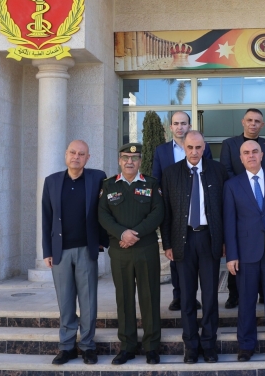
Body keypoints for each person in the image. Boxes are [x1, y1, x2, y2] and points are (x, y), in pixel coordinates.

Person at [159, 130, 226, 364]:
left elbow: (225, 210)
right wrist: (167, 243)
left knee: (210, 297)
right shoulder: (171, 173)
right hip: (183, 240)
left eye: (198, 147)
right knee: (187, 298)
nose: (194, 152)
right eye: (190, 147)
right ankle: (191, 346)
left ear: (204, 147)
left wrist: (224, 241)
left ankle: (209, 344)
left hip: (209, 239)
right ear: (184, 148)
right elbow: (166, 212)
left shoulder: (218, 171)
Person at [41, 140, 108, 365]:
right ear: (65, 154)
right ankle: (67, 347)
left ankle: (88, 345)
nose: (76, 157)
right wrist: (47, 250)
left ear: (88, 158)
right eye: (72, 152)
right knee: (65, 301)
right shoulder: (51, 181)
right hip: (60, 252)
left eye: (81, 154)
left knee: (88, 301)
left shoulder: (98, 178)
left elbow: (105, 210)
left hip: (86, 249)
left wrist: (102, 241)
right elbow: (46, 218)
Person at [223, 140, 265, 362]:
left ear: (262, 155)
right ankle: (245, 345)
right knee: (246, 301)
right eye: (246, 153)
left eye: (254, 152)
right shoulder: (232, 185)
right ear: (241, 158)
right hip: (245, 253)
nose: (251, 155)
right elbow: (229, 223)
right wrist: (232, 255)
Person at [98, 144, 164, 365]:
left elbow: (158, 212)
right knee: (124, 298)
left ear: (140, 161)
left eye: (134, 158)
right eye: (126, 157)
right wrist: (122, 234)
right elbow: (103, 214)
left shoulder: (151, 183)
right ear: (119, 160)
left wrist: (134, 234)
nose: (130, 161)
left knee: (150, 296)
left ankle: (152, 346)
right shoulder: (108, 185)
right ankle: (127, 347)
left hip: (146, 248)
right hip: (120, 251)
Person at [151, 110, 211, 311]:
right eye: (176, 123)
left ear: (189, 126)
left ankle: (195, 297)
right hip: (175, 211)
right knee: (176, 259)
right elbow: (157, 180)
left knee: (197, 264)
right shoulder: (161, 151)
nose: (179, 127)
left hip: (196, 209)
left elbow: (208, 172)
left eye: (183, 123)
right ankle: (179, 296)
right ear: (170, 127)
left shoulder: (200, 147)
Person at [219, 108, 265, 309]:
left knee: (263, 256)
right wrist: (242, 189)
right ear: (243, 122)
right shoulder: (229, 144)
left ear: (262, 125)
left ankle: (263, 293)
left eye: (257, 121)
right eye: (250, 120)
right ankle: (233, 294)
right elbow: (225, 170)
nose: (253, 124)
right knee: (240, 258)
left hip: (263, 204)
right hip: (238, 199)